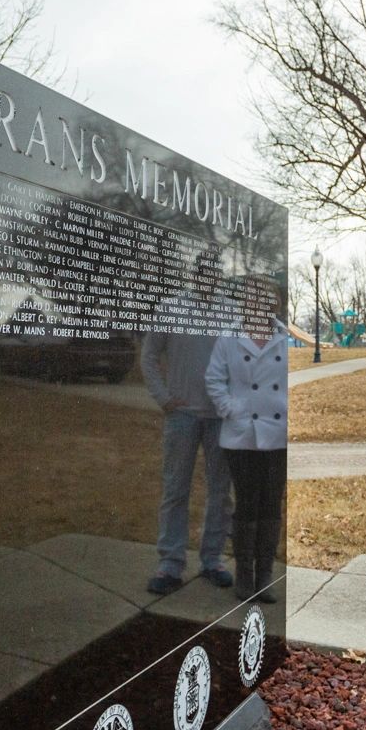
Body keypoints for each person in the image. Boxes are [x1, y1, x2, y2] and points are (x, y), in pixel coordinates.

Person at [141, 253, 236, 594]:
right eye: (203, 272)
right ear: (195, 274)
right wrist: (163, 397)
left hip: (220, 418)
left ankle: (212, 559)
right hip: (181, 415)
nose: (209, 277)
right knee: (175, 489)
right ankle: (170, 564)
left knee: (220, 492)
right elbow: (149, 355)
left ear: (220, 275)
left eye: (214, 272)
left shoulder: (232, 311)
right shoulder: (171, 307)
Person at [204, 275, 288, 602]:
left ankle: (265, 574)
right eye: (253, 297)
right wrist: (231, 408)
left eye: (266, 297)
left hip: (279, 434)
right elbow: (214, 379)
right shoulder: (229, 338)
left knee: (271, 504)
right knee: (247, 504)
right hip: (242, 435)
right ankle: (244, 574)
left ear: (275, 303)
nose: (260, 302)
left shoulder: (286, 338)